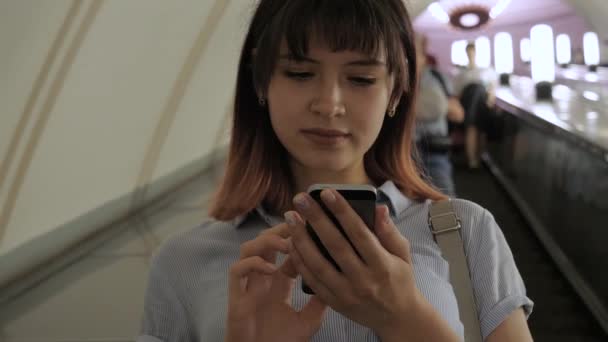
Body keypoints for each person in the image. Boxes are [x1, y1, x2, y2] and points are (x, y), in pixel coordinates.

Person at [137, 1, 534, 341]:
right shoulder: (184, 262)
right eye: (299, 73)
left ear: (396, 91)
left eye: (361, 78)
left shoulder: (465, 233)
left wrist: (407, 320)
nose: (329, 104)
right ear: (261, 81)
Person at [414, 34, 464, 197]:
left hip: (434, 152)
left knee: (445, 205)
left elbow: (458, 114)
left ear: (423, 56)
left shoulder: (438, 78)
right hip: (401, 153)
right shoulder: (391, 78)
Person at [453, 42, 498, 169]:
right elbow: (458, 92)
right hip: (469, 103)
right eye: (469, 52)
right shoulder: (462, 72)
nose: (471, 55)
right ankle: (472, 160)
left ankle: (480, 156)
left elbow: (492, 87)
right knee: (471, 129)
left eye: (473, 52)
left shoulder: (486, 70)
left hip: (482, 103)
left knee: (481, 130)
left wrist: (490, 100)